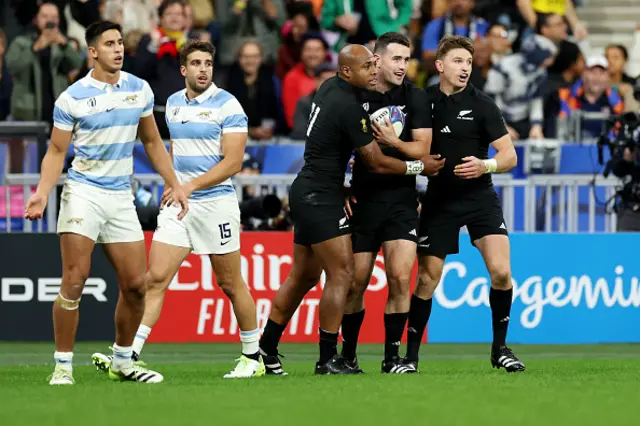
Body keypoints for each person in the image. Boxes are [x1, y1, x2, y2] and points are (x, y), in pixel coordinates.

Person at [24, 21, 189, 385]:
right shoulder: (72, 97)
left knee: (135, 285)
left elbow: (152, 143)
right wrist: (41, 191)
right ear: (93, 52)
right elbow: (56, 150)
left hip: (119, 196)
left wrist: (174, 183)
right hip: (83, 193)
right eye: (109, 44)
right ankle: (63, 366)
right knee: (74, 279)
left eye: (120, 44)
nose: (118, 50)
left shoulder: (139, 90)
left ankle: (123, 361)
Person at [91, 40, 266, 378]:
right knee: (153, 279)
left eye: (208, 63)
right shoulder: (171, 104)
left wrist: (189, 186)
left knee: (230, 283)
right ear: (184, 70)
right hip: (180, 205)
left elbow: (232, 163)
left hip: (215, 204)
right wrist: (174, 184)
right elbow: (174, 151)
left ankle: (252, 357)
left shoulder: (228, 106)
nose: (204, 69)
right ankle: (128, 356)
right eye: (197, 63)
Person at [259, 44, 426, 375]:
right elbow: (376, 162)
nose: (374, 71)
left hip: (309, 190)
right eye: (367, 67)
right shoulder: (349, 106)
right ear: (348, 71)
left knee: (303, 276)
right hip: (320, 197)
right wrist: (419, 168)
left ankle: (266, 346)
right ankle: (327, 358)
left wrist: (343, 186)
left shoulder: (328, 88)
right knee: (343, 274)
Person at [389, 35, 525, 373]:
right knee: (426, 280)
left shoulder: (482, 104)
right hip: (439, 199)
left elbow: (509, 156)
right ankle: (410, 358)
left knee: (502, 271)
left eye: (468, 62)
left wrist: (486, 165)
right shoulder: (423, 101)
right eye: (457, 62)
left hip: (479, 197)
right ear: (440, 66)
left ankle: (500, 349)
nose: (465, 68)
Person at [340, 32, 444, 374]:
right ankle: (348, 355)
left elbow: (423, 150)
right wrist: (341, 186)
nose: (402, 65)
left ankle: (391, 358)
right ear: (378, 59)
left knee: (400, 278)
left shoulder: (414, 97)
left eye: (406, 59)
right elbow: (338, 145)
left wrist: (393, 141)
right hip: (362, 200)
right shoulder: (357, 94)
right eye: (396, 59)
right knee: (356, 282)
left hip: (401, 201)